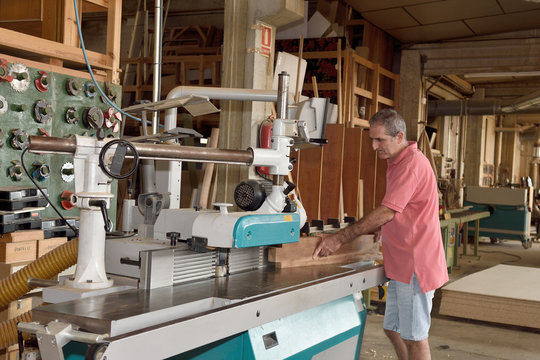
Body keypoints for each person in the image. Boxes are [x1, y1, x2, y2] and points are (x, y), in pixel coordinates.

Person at [313, 108, 448, 360]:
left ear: (399, 137)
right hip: (401, 263)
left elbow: (388, 210)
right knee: (393, 329)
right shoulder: (395, 162)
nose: (374, 146)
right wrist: (382, 228)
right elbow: (401, 210)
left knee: (415, 338)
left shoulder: (411, 164)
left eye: (380, 140)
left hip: (415, 265)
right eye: (372, 140)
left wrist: (339, 238)